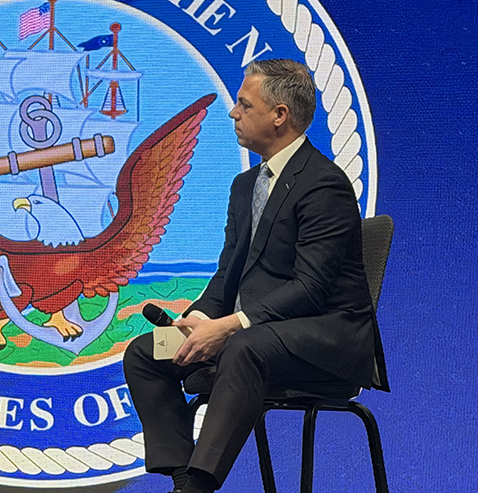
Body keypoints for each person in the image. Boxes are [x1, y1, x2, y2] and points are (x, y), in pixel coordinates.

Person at [123, 59, 387, 493]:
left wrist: (230, 326)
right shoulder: (245, 186)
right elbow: (229, 273)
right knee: (145, 352)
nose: (233, 113)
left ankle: (199, 486)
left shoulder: (324, 185)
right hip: (253, 335)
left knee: (243, 347)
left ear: (279, 115)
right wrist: (202, 318)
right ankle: (181, 476)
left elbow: (311, 288)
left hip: (326, 339)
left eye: (244, 105)